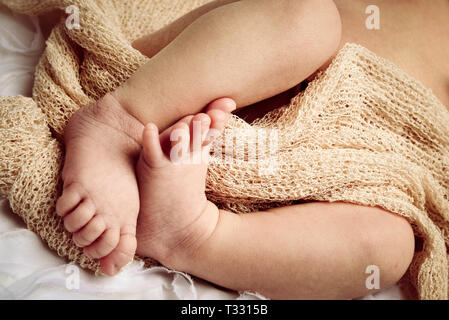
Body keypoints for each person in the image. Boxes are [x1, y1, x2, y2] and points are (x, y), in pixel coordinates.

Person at [54, 0, 449, 299]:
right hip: (232, 72)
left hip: (348, 172)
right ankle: (122, 119)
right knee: (308, 16)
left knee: (389, 247)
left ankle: (192, 235)